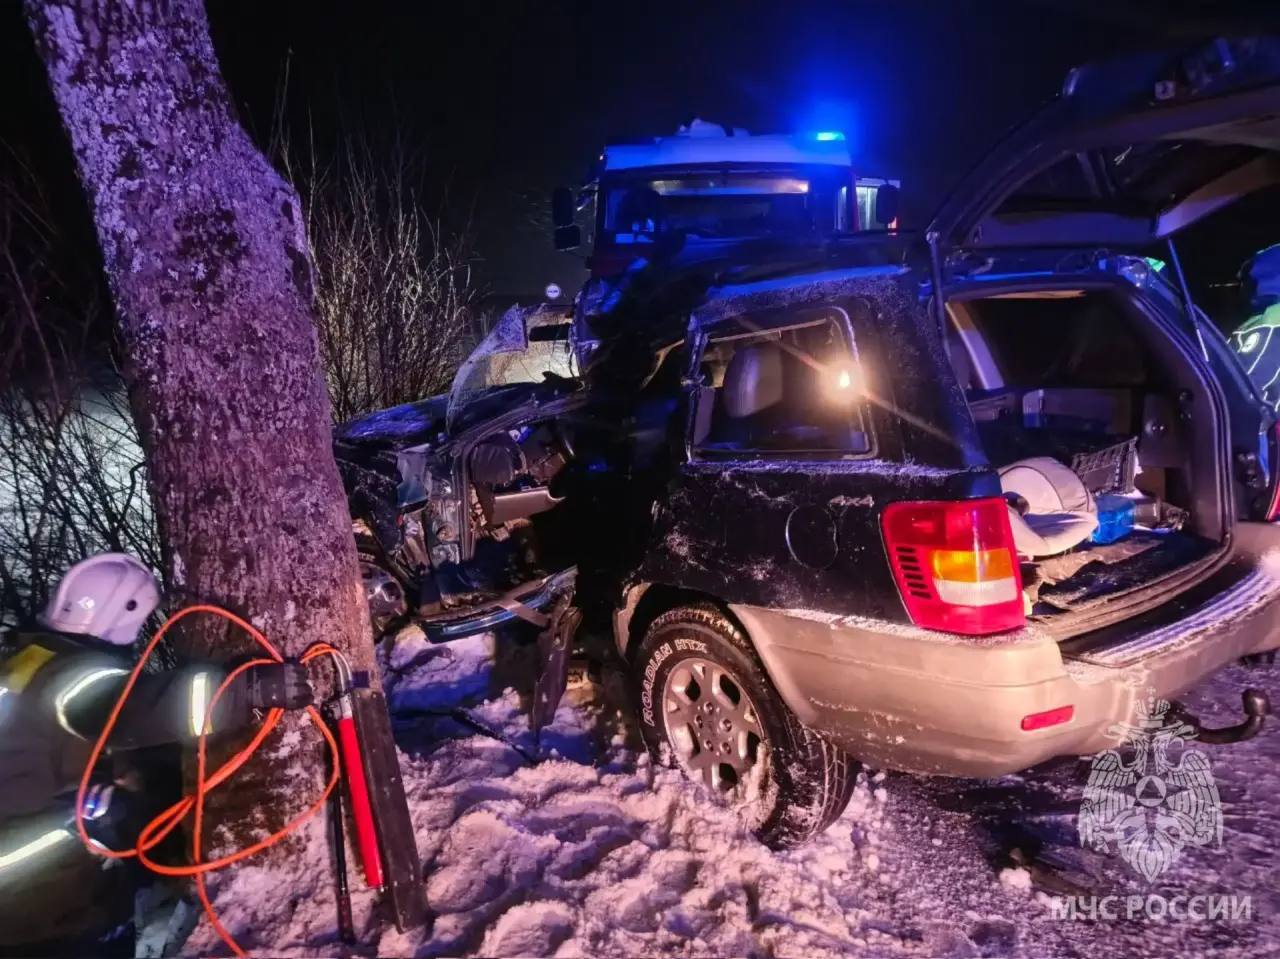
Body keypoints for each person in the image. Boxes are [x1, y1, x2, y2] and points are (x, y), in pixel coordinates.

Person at [0, 553, 313, 955]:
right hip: (42, 903)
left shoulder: (24, 665)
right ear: (123, 617)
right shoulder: (70, 674)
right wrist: (242, 691)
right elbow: (132, 710)